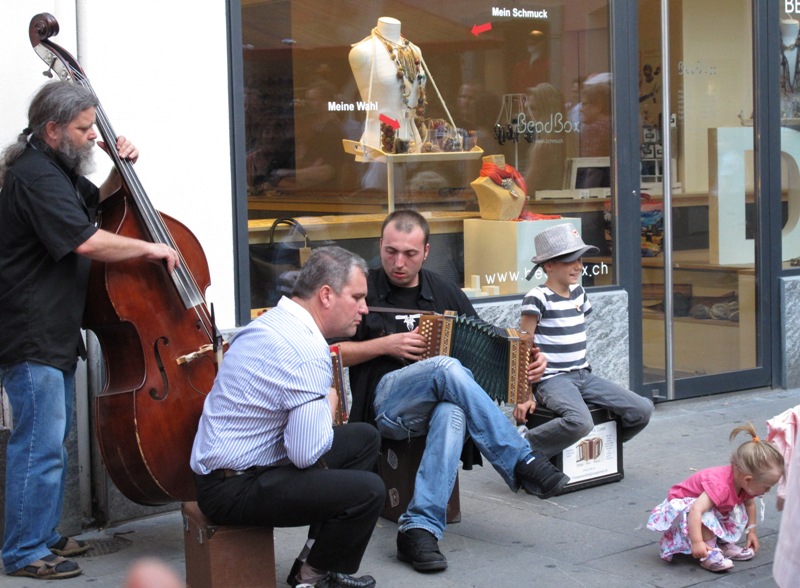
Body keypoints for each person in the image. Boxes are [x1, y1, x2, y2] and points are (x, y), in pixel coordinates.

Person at [0, 80, 180, 580]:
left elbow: (96, 206)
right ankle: (24, 551)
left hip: (53, 330)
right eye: (84, 129)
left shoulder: (56, 169)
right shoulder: (35, 176)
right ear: (53, 129)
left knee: (51, 443)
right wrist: (150, 248)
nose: (92, 136)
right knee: (38, 446)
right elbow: (86, 240)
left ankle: (43, 535)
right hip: (32, 332)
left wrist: (122, 169)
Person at [341, 209, 569, 573]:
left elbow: (491, 346)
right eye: (390, 251)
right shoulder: (361, 286)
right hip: (383, 406)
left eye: (409, 254)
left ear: (426, 252)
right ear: (380, 245)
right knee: (446, 368)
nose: (398, 263)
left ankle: (419, 529)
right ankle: (521, 459)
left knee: (453, 409)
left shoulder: (443, 290)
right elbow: (328, 352)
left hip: (431, 410)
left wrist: (529, 363)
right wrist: (386, 345)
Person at [190, 246, 385, 588]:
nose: (364, 308)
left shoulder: (274, 320)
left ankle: (311, 563)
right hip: (233, 487)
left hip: (233, 469)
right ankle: (314, 579)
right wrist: (329, 400)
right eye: (357, 297)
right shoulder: (306, 350)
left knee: (364, 439)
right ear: (326, 295)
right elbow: (305, 453)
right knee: (368, 491)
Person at [515, 223, 653, 458]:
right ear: (549, 265)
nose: (578, 266)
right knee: (580, 421)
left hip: (583, 375)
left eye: (580, 260)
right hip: (553, 380)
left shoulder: (579, 292)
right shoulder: (537, 297)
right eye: (570, 260)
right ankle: (519, 448)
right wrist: (524, 395)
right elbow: (522, 346)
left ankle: (604, 448)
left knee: (643, 409)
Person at [647, 423, 784, 573]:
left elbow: (750, 504)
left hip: (704, 508)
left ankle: (722, 544)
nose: (768, 491)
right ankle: (709, 552)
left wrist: (751, 532)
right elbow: (696, 511)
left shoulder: (744, 484)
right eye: (767, 486)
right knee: (706, 513)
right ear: (747, 479)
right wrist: (697, 542)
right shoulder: (720, 486)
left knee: (737, 510)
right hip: (682, 510)